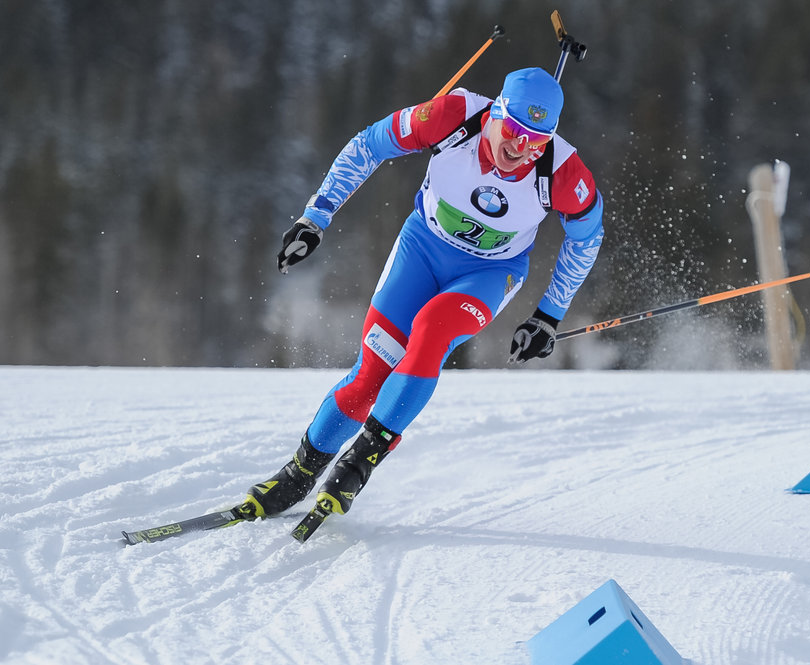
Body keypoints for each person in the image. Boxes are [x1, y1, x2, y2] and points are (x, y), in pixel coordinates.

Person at [241, 67, 605, 521]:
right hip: (421, 251)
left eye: (536, 141)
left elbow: (587, 239)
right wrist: (316, 217)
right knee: (369, 375)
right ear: (496, 111)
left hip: (489, 274)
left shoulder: (565, 173)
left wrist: (548, 314)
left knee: (432, 329)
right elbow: (370, 144)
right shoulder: (452, 116)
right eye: (512, 130)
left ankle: (361, 461)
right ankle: (297, 475)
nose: (519, 148)